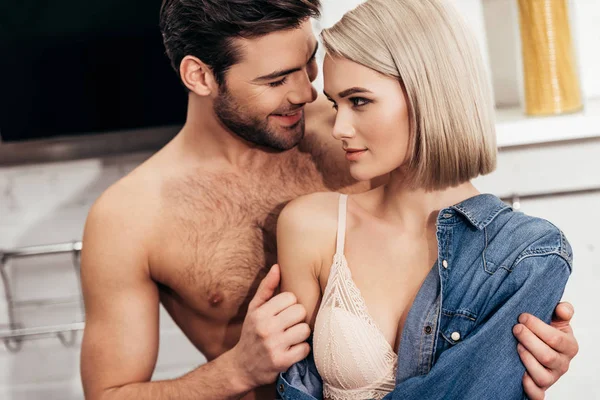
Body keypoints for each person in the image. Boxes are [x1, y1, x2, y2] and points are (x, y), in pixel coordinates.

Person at [79, 1, 579, 399]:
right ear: (200, 76)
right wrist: (235, 371)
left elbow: (470, 248)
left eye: (308, 64)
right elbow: (109, 394)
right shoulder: (130, 218)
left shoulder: (359, 130)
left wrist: (513, 356)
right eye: (276, 80)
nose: (305, 94)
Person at [275, 1, 576, 399]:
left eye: (359, 101)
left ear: (427, 94)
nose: (339, 127)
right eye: (335, 104)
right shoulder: (310, 226)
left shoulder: (528, 254)